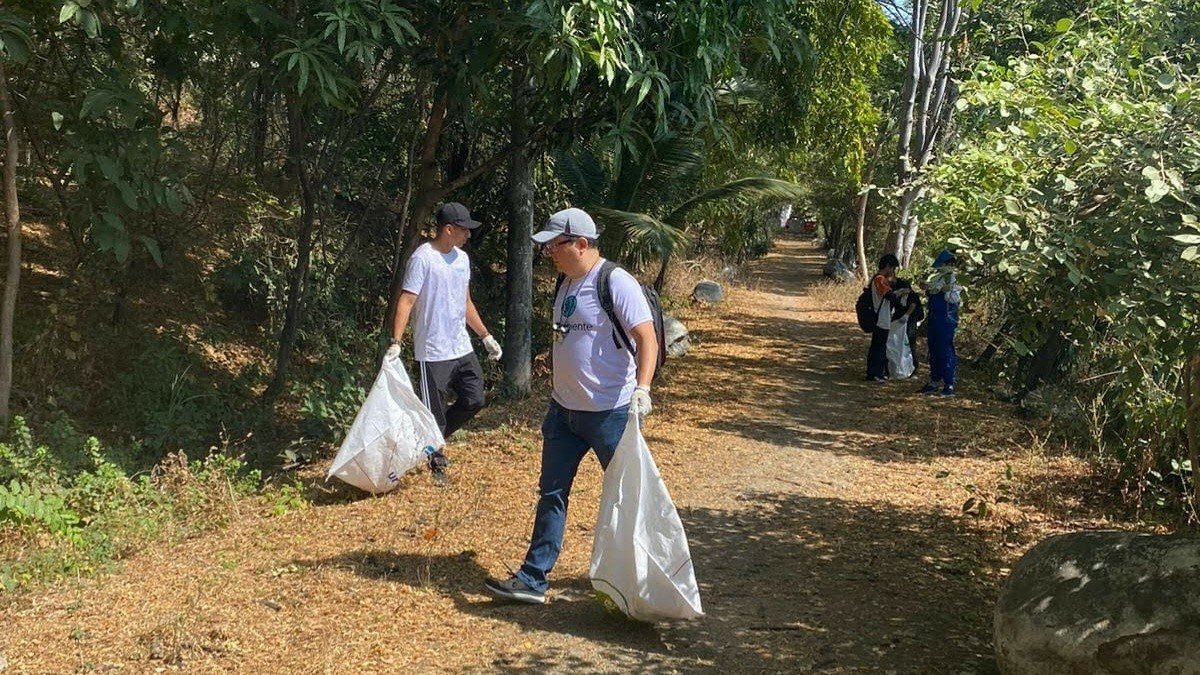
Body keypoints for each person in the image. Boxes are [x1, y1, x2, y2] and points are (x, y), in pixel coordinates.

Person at [484, 207, 657, 605]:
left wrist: (642, 389)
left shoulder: (617, 282)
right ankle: (533, 578)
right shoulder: (565, 282)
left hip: (610, 413)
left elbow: (646, 338)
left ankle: (640, 579)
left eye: (556, 246)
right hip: (564, 412)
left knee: (628, 494)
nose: (550, 254)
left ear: (581, 243)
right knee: (552, 493)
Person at [387, 202, 503, 483]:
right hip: (432, 350)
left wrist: (485, 335)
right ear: (448, 230)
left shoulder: (461, 260)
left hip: (460, 346)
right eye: (464, 230)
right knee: (434, 412)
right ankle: (437, 465)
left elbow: (465, 302)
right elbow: (407, 299)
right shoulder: (423, 258)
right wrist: (396, 342)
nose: (468, 236)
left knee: (474, 399)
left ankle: (427, 440)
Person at [918, 250, 962, 397]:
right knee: (934, 348)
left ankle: (949, 383)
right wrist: (927, 287)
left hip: (947, 318)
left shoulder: (954, 278)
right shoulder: (937, 277)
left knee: (945, 350)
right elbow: (930, 290)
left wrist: (945, 290)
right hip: (934, 317)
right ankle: (934, 380)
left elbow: (954, 299)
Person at [867, 254, 908, 381]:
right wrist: (901, 292)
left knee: (878, 346)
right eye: (892, 268)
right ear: (888, 266)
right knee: (879, 347)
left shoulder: (879, 279)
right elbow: (889, 295)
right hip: (881, 318)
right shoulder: (879, 279)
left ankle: (875, 372)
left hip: (882, 318)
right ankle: (875, 373)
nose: (892, 271)